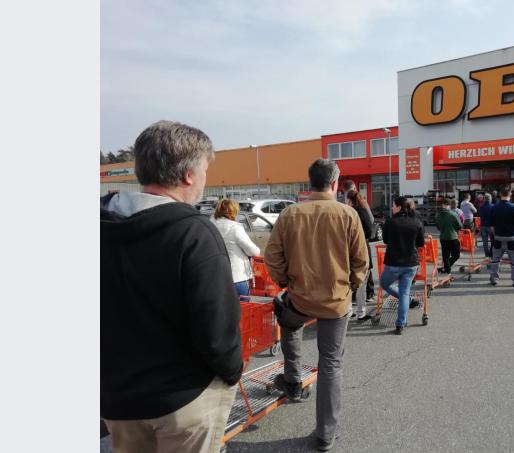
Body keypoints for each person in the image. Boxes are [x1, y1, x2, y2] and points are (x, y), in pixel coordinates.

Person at [101, 121, 242, 453]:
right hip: (183, 398)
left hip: (118, 398)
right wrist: (233, 371)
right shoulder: (193, 234)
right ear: (189, 175)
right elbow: (216, 329)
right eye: (205, 169)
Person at [264, 159, 368, 452]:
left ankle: (293, 379)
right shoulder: (348, 214)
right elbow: (361, 263)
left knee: (288, 322)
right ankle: (325, 434)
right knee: (331, 363)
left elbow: (272, 256)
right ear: (335, 183)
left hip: (300, 298)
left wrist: (286, 281)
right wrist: (351, 287)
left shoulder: (290, 214)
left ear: (310, 182)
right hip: (336, 302)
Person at [380, 196, 426, 335]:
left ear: (399, 207)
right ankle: (400, 324)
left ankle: (407, 300)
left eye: (393, 206)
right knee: (404, 292)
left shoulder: (390, 222)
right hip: (411, 263)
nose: (392, 208)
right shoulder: (417, 222)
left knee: (384, 284)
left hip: (393, 262)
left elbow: (386, 240)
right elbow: (420, 244)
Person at [212, 198, 261, 300]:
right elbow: (254, 251)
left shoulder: (210, 226)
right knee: (243, 310)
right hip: (236, 276)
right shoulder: (235, 228)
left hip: (215, 276)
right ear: (233, 211)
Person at [341, 180, 376, 305]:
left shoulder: (352, 211)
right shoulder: (362, 204)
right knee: (365, 269)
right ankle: (366, 296)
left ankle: (362, 296)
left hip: (355, 245)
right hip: (363, 243)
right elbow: (371, 222)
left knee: (358, 270)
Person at [346, 190, 375, 322]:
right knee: (362, 281)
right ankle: (361, 313)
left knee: (347, 281)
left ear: (349, 200)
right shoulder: (363, 211)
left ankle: (348, 311)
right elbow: (370, 232)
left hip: (348, 250)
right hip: (362, 248)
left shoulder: (347, 212)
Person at [489, 188, 514, 287]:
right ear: (510, 195)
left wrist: (495, 234)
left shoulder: (494, 207)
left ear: (500, 195)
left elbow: (491, 226)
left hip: (498, 238)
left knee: (495, 260)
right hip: (512, 238)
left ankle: (494, 279)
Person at [435, 199, 462, 275]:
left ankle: (447, 269)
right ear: (449, 205)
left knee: (445, 256)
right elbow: (459, 226)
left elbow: (437, 227)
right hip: (453, 237)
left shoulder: (438, 215)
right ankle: (447, 268)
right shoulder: (453, 214)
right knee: (456, 255)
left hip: (443, 237)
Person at [478, 193, 494, 258]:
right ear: (490, 199)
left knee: (485, 242)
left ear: (484, 199)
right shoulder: (493, 206)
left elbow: (480, 215)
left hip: (483, 226)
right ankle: (491, 253)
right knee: (493, 241)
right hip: (491, 226)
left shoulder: (481, 207)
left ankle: (486, 254)